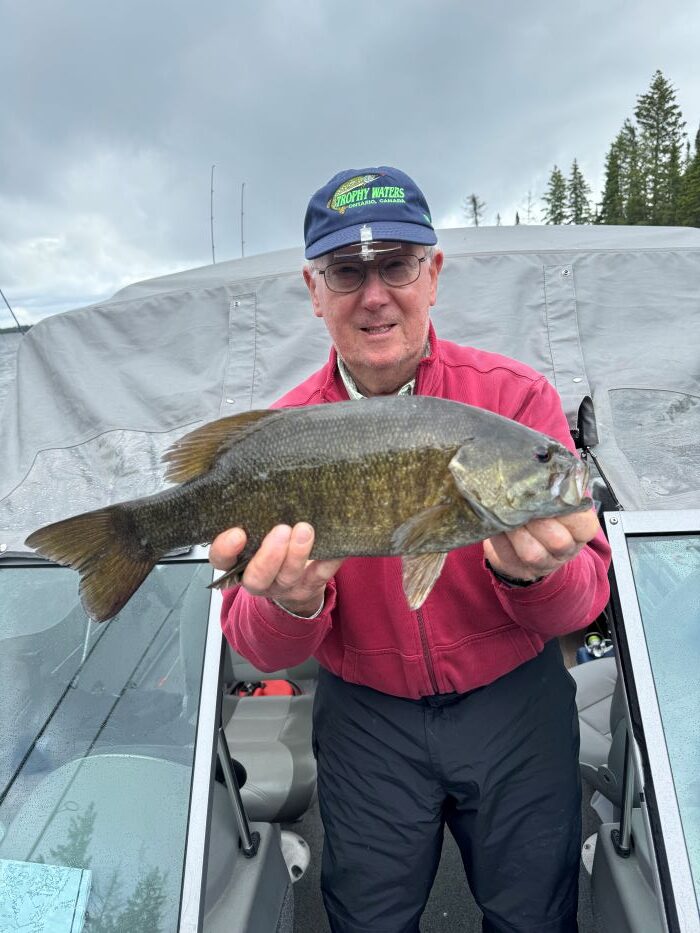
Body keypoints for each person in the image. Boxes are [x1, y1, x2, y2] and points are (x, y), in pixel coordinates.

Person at [210, 166, 611, 933]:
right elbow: (252, 643)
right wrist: (291, 603)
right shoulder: (279, 432)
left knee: (535, 915)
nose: (373, 294)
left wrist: (534, 580)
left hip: (517, 705)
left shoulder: (518, 402)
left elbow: (587, 597)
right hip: (366, 723)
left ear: (433, 273)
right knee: (368, 919)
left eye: (395, 264)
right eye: (346, 271)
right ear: (313, 288)